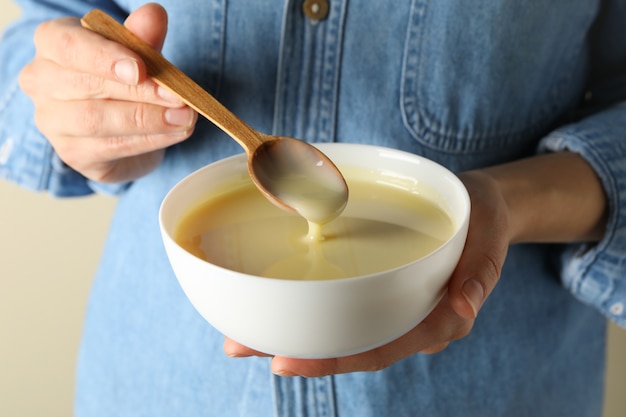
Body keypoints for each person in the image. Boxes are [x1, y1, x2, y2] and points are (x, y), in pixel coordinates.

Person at [1, 0, 625, 415]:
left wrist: (506, 202)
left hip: (495, 386)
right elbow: (43, 35)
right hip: (162, 383)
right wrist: (84, 111)